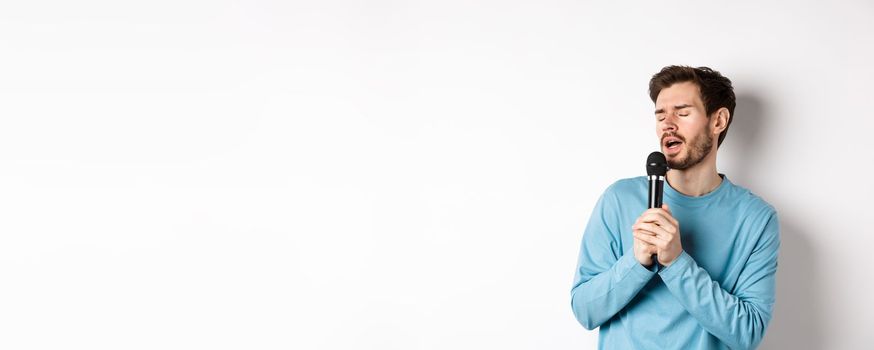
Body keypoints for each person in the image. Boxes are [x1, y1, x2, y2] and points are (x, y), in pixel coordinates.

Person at [570, 66, 780, 349]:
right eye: (660, 115)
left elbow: (747, 333)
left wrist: (676, 263)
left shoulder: (756, 219)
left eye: (682, 113)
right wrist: (637, 260)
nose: (667, 124)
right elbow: (585, 311)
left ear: (718, 120)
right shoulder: (619, 199)